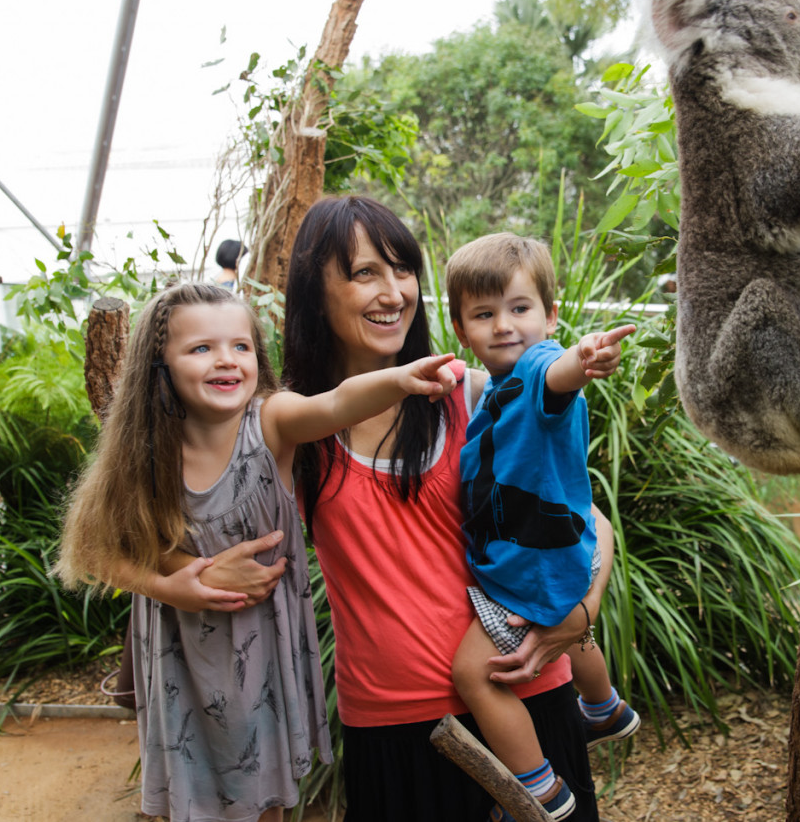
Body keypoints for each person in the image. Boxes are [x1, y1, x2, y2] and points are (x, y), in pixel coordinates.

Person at [55, 281, 457, 822]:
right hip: (181, 655)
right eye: (201, 348)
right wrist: (173, 585)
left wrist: (399, 380)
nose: (226, 361)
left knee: (262, 798)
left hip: (260, 651)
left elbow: (335, 404)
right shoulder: (146, 448)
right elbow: (94, 550)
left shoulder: (270, 421)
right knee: (191, 798)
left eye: (240, 346)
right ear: (160, 362)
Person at [271, 195, 614, 821]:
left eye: (403, 270)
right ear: (314, 290)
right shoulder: (295, 427)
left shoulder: (477, 395)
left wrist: (580, 614)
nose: (394, 292)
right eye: (365, 272)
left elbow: (589, 521)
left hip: (523, 689)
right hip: (395, 721)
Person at [445, 234, 639, 821]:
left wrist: (581, 360)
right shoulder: (495, 388)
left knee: (474, 676)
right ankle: (603, 707)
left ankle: (540, 787)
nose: (504, 325)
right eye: (484, 314)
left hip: (530, 565)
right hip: (554, 548)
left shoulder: (534, 371)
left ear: (550, 317)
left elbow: (556, 377)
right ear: (461, 329)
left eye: (520, 308)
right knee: (574, 635)